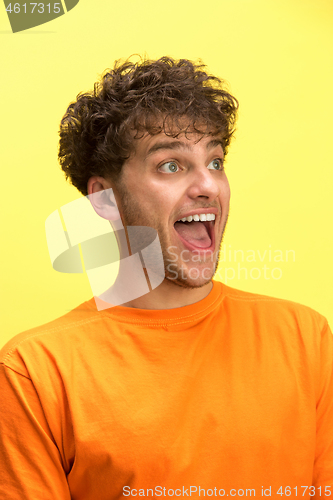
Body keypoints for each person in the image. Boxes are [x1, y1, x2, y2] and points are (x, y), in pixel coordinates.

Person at [0, 57, 332, 500]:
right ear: (104, 200)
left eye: (215, 161)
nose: (208, 186)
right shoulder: (35, 371)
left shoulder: (304, 337)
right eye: (171, 165)